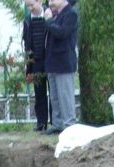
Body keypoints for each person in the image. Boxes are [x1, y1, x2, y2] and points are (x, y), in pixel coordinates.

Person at [41, 0, 78, 135]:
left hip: (64, 62)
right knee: (55, 97)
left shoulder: (71, 14)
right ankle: (57, 124)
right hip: (52, 61)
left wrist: (49, 21)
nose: (50, 2)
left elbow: (61, 33)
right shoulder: (56, 14)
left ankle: (69, 125)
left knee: (65, 96)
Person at [23, 0, 49, 132]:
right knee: (39, 94)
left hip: (50, 59)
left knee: (54, 93)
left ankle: (56, 122)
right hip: (36, 62)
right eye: (28, 6)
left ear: (39, 1)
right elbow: (27, 44)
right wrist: (29, 67)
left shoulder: (49, 15)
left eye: (32, 5)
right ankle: (42, 123)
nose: (30, 8)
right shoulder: (27, 21)